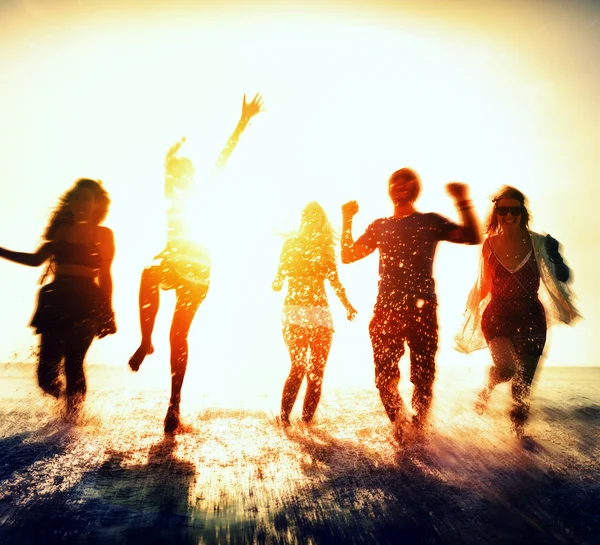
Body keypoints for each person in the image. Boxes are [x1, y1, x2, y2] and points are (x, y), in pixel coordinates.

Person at [128, 93, 264, 434]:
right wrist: (167, 160)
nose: (178, 179)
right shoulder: (171, 193)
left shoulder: (202, 187)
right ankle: (146, 341)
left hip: (198, 269)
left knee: (179, 334)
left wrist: (243, 122)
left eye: (182, 173)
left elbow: (223, 156)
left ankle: (174, 405)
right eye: (174, 175)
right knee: (148, 272)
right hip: (172, 260)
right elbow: (167, 176)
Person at [340, 168, 481, 440]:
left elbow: (472, 236)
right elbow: (348, 256)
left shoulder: (429, 221)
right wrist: (347, 220)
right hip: (385, 310)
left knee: (423, 378)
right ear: (389, 189)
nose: (400, 186)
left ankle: (419, 428)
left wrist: (463, 201)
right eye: (395, 182)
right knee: (384, 380)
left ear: (416, 189)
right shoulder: (380, 226)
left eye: (407, 183)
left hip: (422, 309)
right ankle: (401, 427)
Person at [455, 186, 580, 438]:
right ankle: (488, 387)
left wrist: (556, 257)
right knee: (507, 369)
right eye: (503, 210)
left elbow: (564, 277)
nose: (509, 215)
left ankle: (518, 446)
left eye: (514, 209)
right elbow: (484, 285)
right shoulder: (489, 245)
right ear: (496, 213)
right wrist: (469, 315)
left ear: (523, 211)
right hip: (498, 314)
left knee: (522, 391)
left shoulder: (540, 243)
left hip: (531, 315)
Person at [0, 178, 116, 419]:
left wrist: (108, 311)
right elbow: (35, 260)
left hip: (87, 301)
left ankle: (73, 421)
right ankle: (67, 404)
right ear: (71, 203)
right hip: (56, 299)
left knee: (74, 362)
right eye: (78, 198)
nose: (82, 203)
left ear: (97, 205)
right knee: (45, 378)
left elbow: (105, 275)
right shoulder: (61, 230)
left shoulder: (103, 234)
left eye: (88, 199)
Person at [272, 201, 357, 426]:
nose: (312, 218)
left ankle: (307, 425)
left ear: (321, 221)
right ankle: (284, 420)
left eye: (316, 215)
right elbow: (279, 276)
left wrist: (347, 305)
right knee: (298, 366)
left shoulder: (325, 248)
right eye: (308, 214)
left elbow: (335, 282)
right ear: (303, 218)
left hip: (320, 312)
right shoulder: (290, 244)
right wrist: (277, 281)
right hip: (294, 311)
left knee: (316, 371)